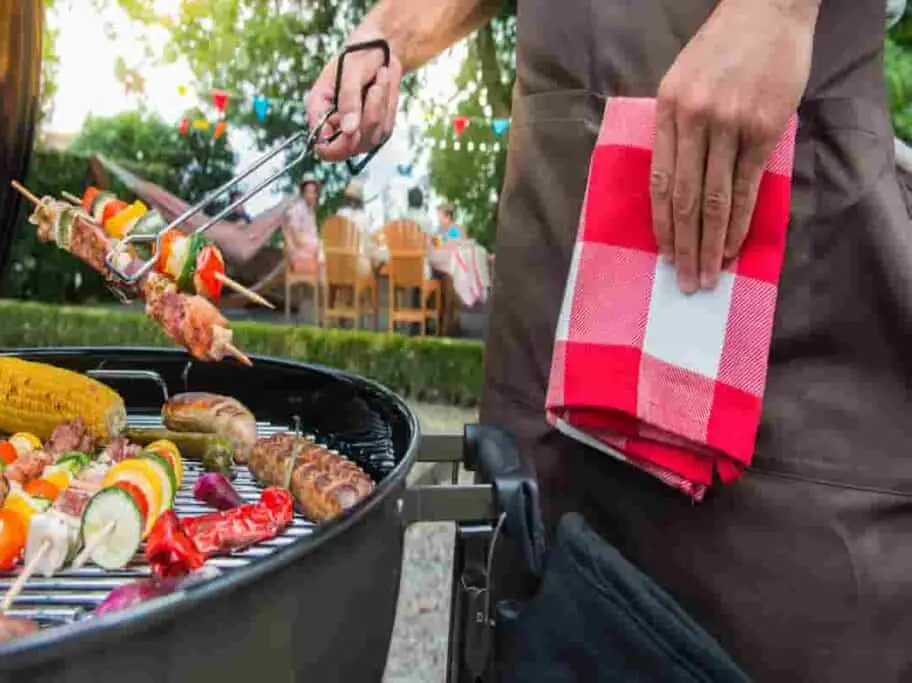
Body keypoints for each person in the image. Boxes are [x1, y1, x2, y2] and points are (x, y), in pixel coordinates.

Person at [307, 2, 912, 681]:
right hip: (554, 222)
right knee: (533, 599)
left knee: (780, 617)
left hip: (780, 171)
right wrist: (389, 33)